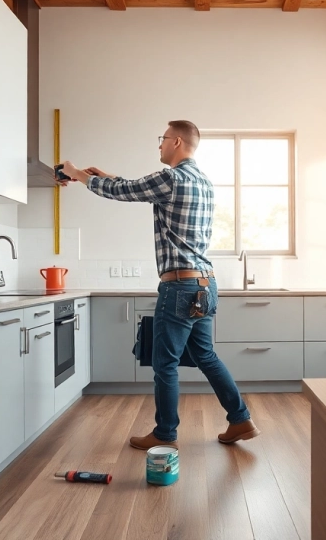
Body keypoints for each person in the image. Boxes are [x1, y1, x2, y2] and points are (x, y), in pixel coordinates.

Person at [57, 120, 260, 450]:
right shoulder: (203, 182)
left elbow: (126, 192)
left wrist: (78, 174)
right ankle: (240, 419)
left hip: (179, 286)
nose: (159, 145)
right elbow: (134, 185)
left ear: (177, 141)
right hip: (205, 284)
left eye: (162, 139)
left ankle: (165, 434)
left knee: (166, 363)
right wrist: (103, 176)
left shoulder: (170, 178)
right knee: (206, 356)